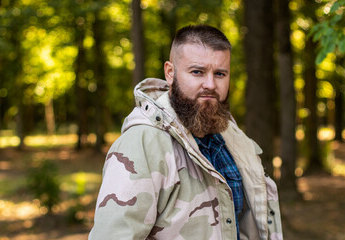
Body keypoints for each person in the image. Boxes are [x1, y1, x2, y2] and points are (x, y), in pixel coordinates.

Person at [89, 25, 283, 240]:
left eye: (220, 74)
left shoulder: (231, 136)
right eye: (197, 72)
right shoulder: (142, 144)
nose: (210, 84)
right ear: (170, 73)